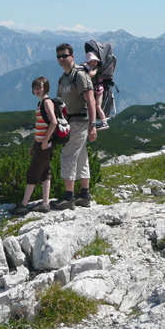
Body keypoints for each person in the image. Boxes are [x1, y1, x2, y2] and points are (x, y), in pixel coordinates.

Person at [55, 43, 97, 209]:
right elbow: (60, 101)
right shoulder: (63, 78)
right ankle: (85, 195)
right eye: (59, 56)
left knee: (68, 155)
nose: (61, 59)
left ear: (72, 56)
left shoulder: (79, 76)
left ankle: (69, 197)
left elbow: (91, 100)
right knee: (81, 156)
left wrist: (93, 125)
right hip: (68, 121)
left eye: (64, 55)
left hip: (79, 121)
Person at [13, 76, 57, 215]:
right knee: (44, 173)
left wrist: (44, 141)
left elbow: (54, 122)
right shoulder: (40, 104)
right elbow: (40, 126)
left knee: (32, 173)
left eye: (40, 87)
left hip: (44, 145)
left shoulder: (46, 102)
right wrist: (34, 144)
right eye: (35, 87)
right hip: (41, 144)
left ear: (46, 88)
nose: (37, 90)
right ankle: (45, 203)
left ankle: (24, 204)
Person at [86, 51, 109, 130]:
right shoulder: (93, 68)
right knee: (92, 106)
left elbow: (91, 74)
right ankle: (94, 121)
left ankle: (104, 122)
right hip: (95, 89)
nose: (93, 62)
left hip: (99, 90)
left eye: (94, 61)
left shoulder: (97, 69)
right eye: (91, 61)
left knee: (98, 106)